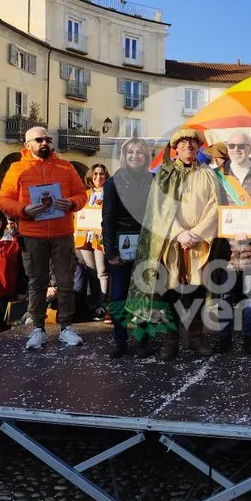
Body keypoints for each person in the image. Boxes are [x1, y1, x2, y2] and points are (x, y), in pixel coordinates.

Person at [123, 128, 219, 360]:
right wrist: (179, 233)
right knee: (169, 292)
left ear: (198, 148)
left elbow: (216, 206)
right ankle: (170, 341)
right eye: (183, 143)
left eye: (193, 143)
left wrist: (195, 234)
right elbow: (160, 208)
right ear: (176, 148)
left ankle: (197, 339)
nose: (188, 146)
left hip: (199, 244)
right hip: (171, 244)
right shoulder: (164, 173)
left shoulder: (208, 173)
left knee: (196, 291)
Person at [0, 126, 88, 350]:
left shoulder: (65, 167)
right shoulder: (16, 168)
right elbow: (3, 200)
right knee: (37, 283)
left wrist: (73, 203)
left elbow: (81, 194)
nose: (45, 143)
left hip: (62, 234)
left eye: (47, 139)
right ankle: (38, 328)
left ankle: (66, 327)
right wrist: (24, 210)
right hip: (32, 236)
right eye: (39, 140)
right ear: (27, 145)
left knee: (66, 282)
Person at [209, 132, 251, 354]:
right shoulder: (218, 175)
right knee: (225, 296)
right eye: (231, 146)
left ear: (249, 148)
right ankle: (224, 338)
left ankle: (249, 338)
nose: (236, 149)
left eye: (241, 146)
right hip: (227, 248)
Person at [102, 138, 153, 358]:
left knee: (144, 295)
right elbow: (107, 219)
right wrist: (111, 251)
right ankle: (120, 340)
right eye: (130, 152)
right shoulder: (113, 182)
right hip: (121, 246)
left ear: (146, 156)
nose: (135, 156)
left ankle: (143, 341)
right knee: (118, 295)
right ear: (124, 155)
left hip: (146, 244)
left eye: (139, 152)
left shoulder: (153, 179)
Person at [74, 164, 110, 313]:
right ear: (90, 176)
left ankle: (103, 303)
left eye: (101, 174)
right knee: (91, 271)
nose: (98, 177)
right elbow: (76, 213)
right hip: (84, 237)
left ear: (106, 176)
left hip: (101, 237)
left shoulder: (109, 193)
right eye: (95, 174)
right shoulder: (85, 194)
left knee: (102, 271)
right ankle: (95, 302)